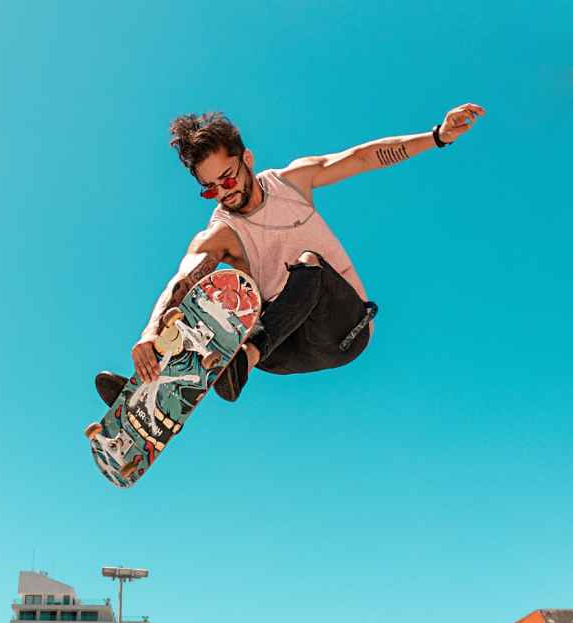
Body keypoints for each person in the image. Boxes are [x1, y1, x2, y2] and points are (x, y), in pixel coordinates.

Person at [96, 104, 484, 405]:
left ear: (247, 160)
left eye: (228, 178)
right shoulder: (220, 232)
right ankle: (146, 387)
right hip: (279, 351)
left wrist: (438, 135)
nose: (225, 192)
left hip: (343, 330)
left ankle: (242, 360)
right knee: (214, 283)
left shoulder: (292, 182)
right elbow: (182, 279)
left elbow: (362, 157)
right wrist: (148, 335)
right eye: (211, 188)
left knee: (308, 263)